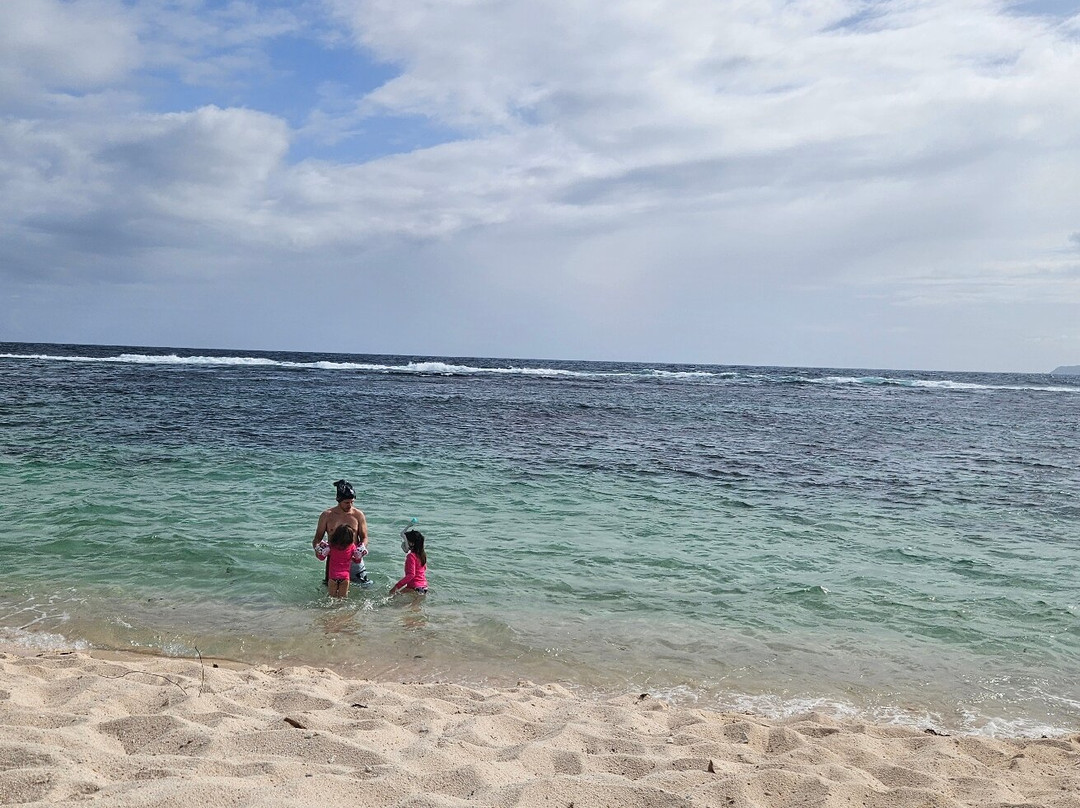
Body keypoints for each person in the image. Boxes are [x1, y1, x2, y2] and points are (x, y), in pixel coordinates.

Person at [313, 479, 370, 586]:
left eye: (352, 502)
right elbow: (317, 539)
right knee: (330, 590)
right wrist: (318, 550)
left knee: (363, 587)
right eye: (346, 503)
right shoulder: (326, 515)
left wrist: (362, 547)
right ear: (338, 500)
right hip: (334, 559)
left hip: (354, 556)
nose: (350, 505)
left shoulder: (358, 515)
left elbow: (364, 537)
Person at [315, 525, 365, 599]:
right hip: (345, 577)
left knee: (331, 598)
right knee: (343, 599)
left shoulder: (331, 546)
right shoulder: (352, 547)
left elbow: (321, 558)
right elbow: (358, 561)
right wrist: (353, 558)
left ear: (336, 535)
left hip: (333, 577)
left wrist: (317, 551)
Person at [390, 527, 428, 596]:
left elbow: (411, 575)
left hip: (414, 587)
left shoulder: (411, 556)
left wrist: (396, 587)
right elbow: (423, 569)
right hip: (424, 587)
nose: (404, 543)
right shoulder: (422, 555)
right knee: (415, 606)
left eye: (406, 541)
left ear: (412, 543)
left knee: (393, 598)